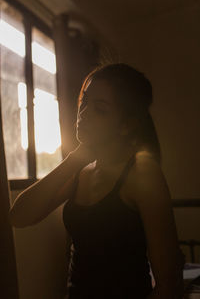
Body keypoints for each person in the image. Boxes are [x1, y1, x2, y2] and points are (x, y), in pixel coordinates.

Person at [9, 63, 185, 299]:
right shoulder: (78, 171)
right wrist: (73, 161)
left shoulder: (142, 174)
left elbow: (168, 283)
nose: (84, 113)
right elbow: (19, 217)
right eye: (84, 102)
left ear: (127, 124)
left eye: (100, 109)